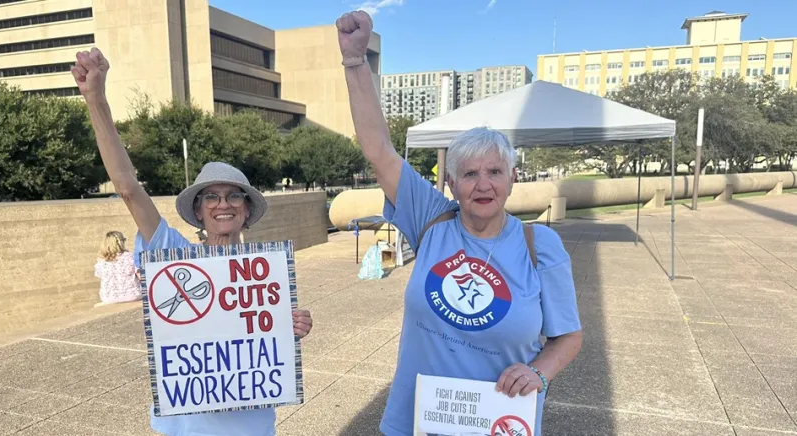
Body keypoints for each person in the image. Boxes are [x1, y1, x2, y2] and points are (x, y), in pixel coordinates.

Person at [335, 10, 583, 436]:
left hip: (499, 423)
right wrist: (355, 61)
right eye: (469, 174)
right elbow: (378, 148)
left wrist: (539, 373)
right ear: (450, 183)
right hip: (418, 422)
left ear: (512, 179)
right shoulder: (432, 221)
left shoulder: (538, 246)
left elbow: (568, 337)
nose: (482, 185)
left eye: (494, 172)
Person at [71, 47, 314, 436]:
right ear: (198, 210)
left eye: (234, 195)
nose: (223, 204)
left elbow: (265, 348)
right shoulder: (173, 257)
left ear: (247, 209)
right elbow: (127, 187)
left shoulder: (263, 279)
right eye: (211, 196)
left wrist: (290, 325)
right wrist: (95, 99)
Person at [94, 231, 141, 305]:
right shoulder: (130, 257)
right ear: (121, 243)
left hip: (108, 298)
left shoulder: (101, 261)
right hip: (132, 295)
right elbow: (140, 276)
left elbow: (100, 275)